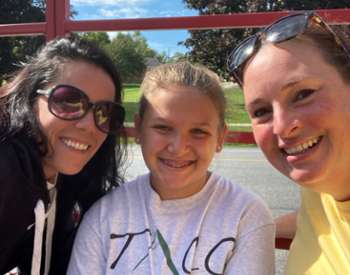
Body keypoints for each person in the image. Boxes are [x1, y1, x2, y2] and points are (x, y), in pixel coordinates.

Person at [67, 61, 275, 275]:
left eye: (198, 132)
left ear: (220, 137)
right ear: (139, 129)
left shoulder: (246, 215)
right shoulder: (104, 215)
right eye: (163, 128)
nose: (178, 148)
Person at [227, 11, 350, 274]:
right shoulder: (321, 189)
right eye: (261, 112)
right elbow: (323, 217)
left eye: (303, 94)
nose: (282, 126)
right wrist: (249, 233)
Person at [0, 37, 127, 275]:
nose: (89, 125)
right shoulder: (6, 170)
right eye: (69, 100)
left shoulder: (66, 181)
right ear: (30, 98)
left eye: (105, 112)